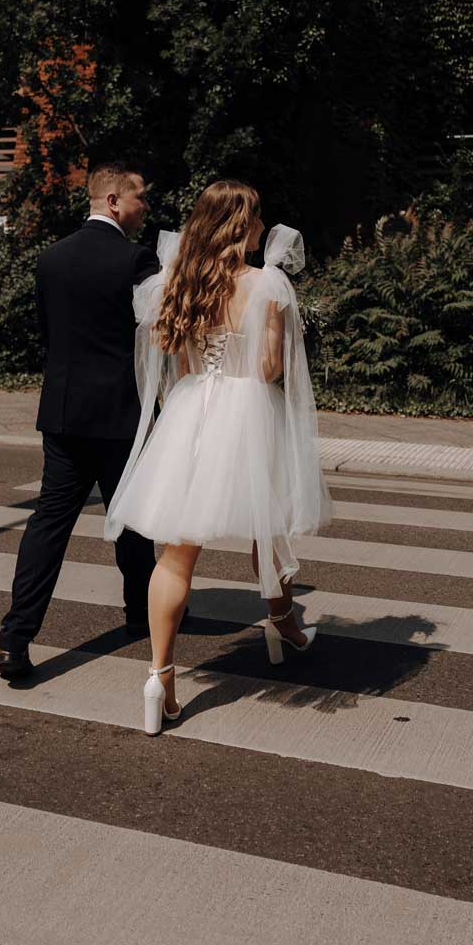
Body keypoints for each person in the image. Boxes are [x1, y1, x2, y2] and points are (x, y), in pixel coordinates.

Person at [104, 179, 332, 734]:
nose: (260, 227)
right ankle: (282, 622)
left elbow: (177, 367)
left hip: (192, 409)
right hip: (247, 408)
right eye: (255, 218)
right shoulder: (267, 283)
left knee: (176, 555)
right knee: (268, 526)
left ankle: (160, 675)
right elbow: (270, 369)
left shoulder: (176, 282)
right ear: (241, 224)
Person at [0, 163, 160, 680]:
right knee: (132, 521)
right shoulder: (138, 259)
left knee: (48, 526)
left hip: (65, 413)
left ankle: (15, 640)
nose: (145, 209)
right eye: (140, 199)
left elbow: (50, 335)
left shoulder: (51, 258)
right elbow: (150, 338)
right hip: (119, 414)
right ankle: (141, 615)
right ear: (113, 200)